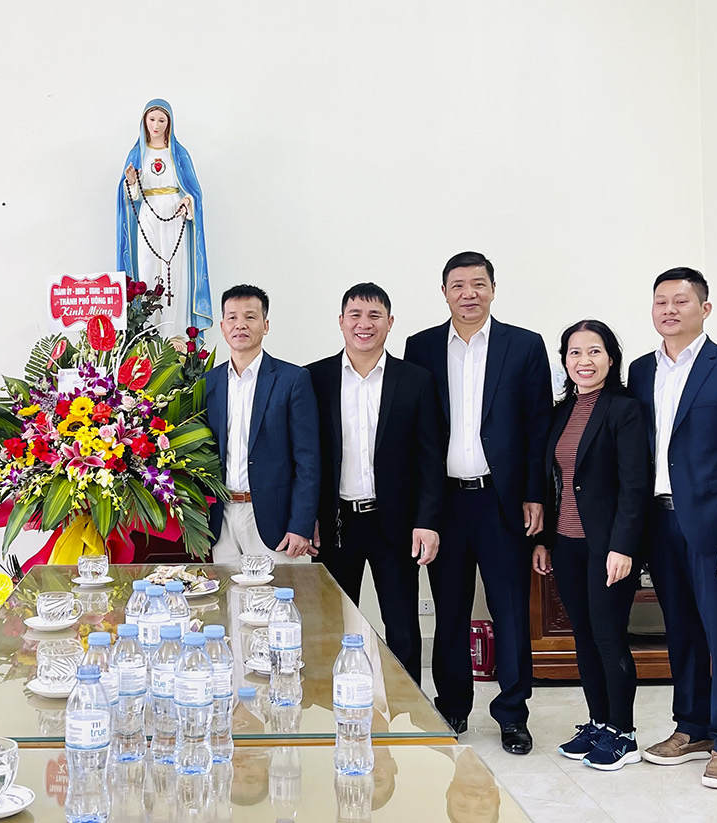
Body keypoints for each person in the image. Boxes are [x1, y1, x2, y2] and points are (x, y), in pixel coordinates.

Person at [404, 251, 553, 754]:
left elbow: (538, 427)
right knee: (449, 611)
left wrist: (534, 494)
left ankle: (512, 714)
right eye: (458, 285)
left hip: (501, 501)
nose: (469, 294)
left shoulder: (524, 345)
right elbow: (418, 432)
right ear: (444, 292)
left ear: (492, 288)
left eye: (478, 284)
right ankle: (452, 706)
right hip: (444, 503)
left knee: (510, 611)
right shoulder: (421, 347)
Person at [627, 268, 717, 789]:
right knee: (681, 632)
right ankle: (692, 727)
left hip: (715, 528)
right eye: (660, 301)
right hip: (659, 522)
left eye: (681, 301)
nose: (669, 310)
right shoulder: (640, 370)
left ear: (704, 309)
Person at [306, 282, 442, 680]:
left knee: (402, 628)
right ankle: (334, 703)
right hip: (335, 525)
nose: (364, 324)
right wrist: (306, 517)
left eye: (374, 315)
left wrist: (427, 521)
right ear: (341, 321)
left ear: (390, 322)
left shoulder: (415, 380)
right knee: (332, 622)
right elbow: (307, 457)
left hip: (394, 524)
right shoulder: (315, 378)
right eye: (355, 315)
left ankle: (407, 707)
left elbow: (429, 460)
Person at [531, 320, 649, 771]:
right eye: (575, 353)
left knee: (608, 637)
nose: (584, 361)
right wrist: (544, 541)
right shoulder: (561, 411)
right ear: (565, 361)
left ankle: (624, 733)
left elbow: (635, 486)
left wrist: (623, 547)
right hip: (566, 545)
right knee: (583, 637)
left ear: (611, 358)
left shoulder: (625, 409)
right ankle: (599, 722)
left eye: (594, 351)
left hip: (608, 547)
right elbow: (554, 483)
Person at [203, 284, 320, 565]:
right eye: (232, 317)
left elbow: (308, 460)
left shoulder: (292, 379)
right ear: (222, 327)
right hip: (220, 519)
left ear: (265, 325)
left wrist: (301, 525)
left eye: (250, 317)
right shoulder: (207, 384)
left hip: (272, 521)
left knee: (273, 594)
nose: (240, 324)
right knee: (225, 594)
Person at [117, 98, 212, 338]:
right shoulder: (137, 153)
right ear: (144, 122)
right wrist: (131, 182)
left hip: (174, 216)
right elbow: (130, 197)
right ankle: (148, 333)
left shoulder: (178, 154)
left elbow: (194, 191)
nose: (156, 125)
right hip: (148, 216)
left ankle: (175, 332)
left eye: (162, 120)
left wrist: (187, 201)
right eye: (152, 120)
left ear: (169, 123)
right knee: (147, 269)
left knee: (175, 273)